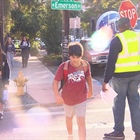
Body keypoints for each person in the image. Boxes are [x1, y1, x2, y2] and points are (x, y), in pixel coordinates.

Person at [102, 17, 140, 140]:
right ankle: (138, 132)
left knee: (119, 104)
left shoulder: (117, 40)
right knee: (135, 103)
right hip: (135, 75)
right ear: (129, 25)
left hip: (120, 78)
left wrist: (105, 81)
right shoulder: (138, 37)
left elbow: (111, 63)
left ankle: (118, 132)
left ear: (119, 27)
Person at [52, 42, 93, 140]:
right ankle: (70, 136)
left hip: (81, 98)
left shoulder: (85, 65)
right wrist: (57, 95)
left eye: (77, 57)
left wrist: (90, 90)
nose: (75, 60)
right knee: (69, 118)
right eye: (73, 57)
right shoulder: (64, 67)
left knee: (81, 121)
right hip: (67, 99)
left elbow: (88, 77)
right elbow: (55, 82)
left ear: (81, 56)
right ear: (69, 56)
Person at [0, 44, 10, 120]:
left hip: (2, 81)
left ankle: (1, 112)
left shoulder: (3, 56)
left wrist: (7, 81)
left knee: (1, 98)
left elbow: (7, 70)